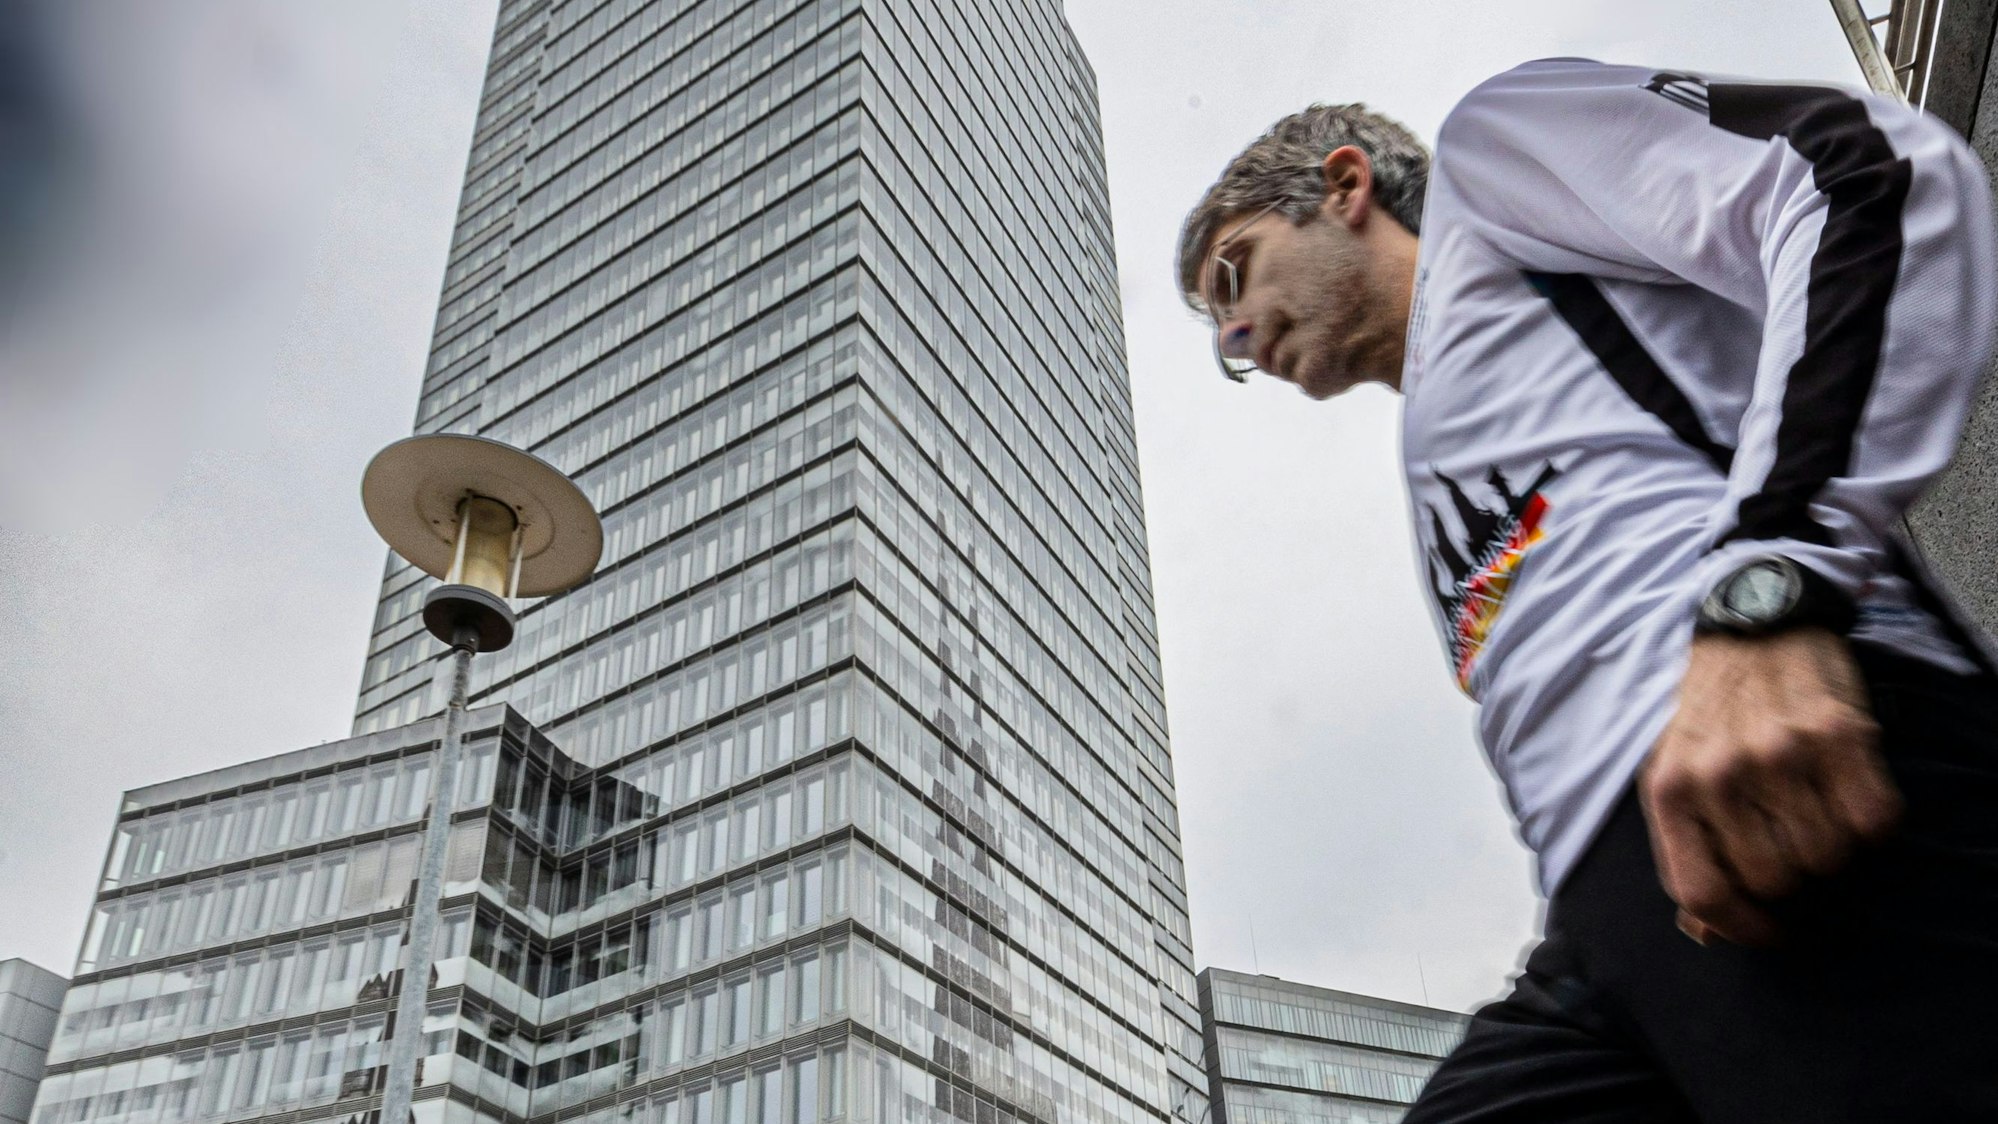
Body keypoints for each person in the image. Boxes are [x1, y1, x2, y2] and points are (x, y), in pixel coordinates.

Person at [1176, 58, 1998, 1120]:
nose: (1235, 336)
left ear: (1345, 186)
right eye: (1213, 333)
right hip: (1614, 927)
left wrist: (1773, 587)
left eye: (1235, 275)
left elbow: (1862, 171)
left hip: (1796, 782)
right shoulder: (1436, 448)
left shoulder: (1494, 163)